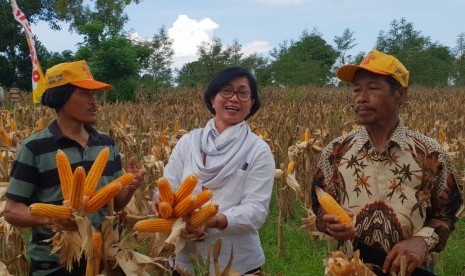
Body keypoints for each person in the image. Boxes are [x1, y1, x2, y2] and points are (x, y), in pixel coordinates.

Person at [311, 50, 464, 276]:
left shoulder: (431, 153)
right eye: (356, 89)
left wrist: (422, 242)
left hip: (411, 270)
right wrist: (329, 223)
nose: (360, 97)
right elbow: (319, 209)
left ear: (400, 95)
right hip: (351, 269)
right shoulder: (335, 152)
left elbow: (447, 212)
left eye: (373, 88)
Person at [3, 60, 147, 275]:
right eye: (85, 94)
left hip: (102, 258)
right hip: (54, 264)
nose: (94, 102)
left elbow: (115, 205)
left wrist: (130, 186)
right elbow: (12, 211)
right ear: (61, 97)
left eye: (94, 95)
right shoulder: (34, 148)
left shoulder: (106, 144)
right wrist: (52, 218)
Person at [152, 67, 275, 275]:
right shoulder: (188, 142)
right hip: (184, 262)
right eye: (226, 91)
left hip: (237, 263)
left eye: (243, 93)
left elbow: (256, 210)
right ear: (212, 97)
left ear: (252, 103)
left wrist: (213, 220)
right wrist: (161, 203)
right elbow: (168, 186)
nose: (234, 99)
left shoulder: (258, 150)